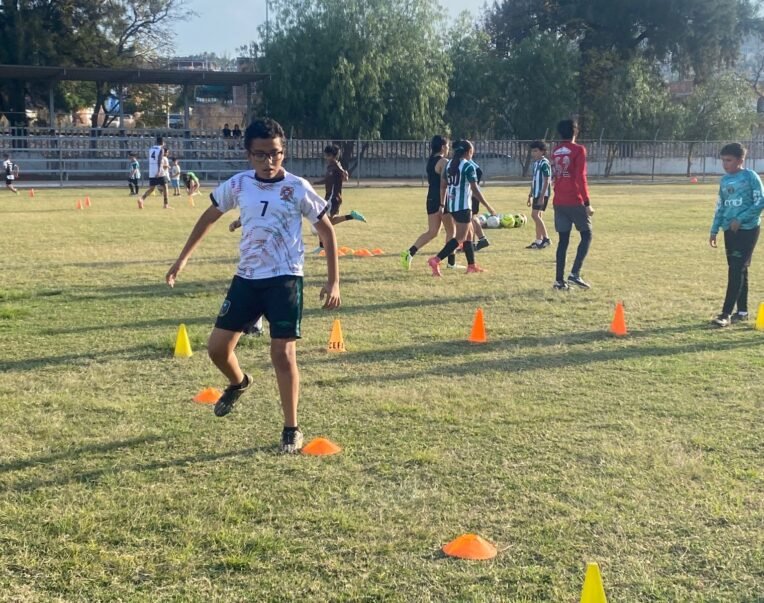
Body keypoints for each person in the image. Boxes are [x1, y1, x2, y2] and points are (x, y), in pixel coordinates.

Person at [166, 118, 341, 453]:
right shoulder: (239, 184)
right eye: (260, 154)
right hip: (246, 278)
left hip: (285, 279)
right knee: (217, 349)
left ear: (283, 152)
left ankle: (291, 428)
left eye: (275, 153)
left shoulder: (298, 187)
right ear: (248, 155)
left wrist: (333, 281)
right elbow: (209, 216)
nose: (269, 161)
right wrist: (183, 259)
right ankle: (239, 382)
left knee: (282, 354)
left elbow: (327, 231)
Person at [709, 142, 763, 327]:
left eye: (729, 160)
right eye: (723, 160)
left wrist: (740, 218)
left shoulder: (750, 176)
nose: (725, 164)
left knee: (735, 270)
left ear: (741, 160)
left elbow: (760, 201)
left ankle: (725, 314)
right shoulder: (724, 181)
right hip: (729, 231)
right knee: (739, 269)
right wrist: (714, 229)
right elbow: (721, 206)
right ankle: (742, 311)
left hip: (748, 230)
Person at [427, 140, 496, 276]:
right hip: (463, 206)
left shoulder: (449, 165)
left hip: (452, 205)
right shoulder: (468, 166)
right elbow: (475, 189)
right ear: (469, 152)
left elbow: (443, 186)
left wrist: (442, 204)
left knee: (469, 235)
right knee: (460, 238)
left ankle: (471, 266)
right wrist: (488, 207)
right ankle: (436, 260)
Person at [551, 119, 593, 290]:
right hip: (574, 200)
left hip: (559, 200)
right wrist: (587, 202)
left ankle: (559, 281)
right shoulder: (578, 150)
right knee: (587, 235)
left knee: (563, 241)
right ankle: (575, 274)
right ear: (575, 131)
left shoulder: (555, 151)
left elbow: (556, 175)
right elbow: (580, 177)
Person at [400, 135, 452, 270]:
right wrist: (442, 204)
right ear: (442, 147)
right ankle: (451, 263)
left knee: (433, 232)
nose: (448, 148)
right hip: (441, 198)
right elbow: (444, 184)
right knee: (451, 232)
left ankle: (409, 252)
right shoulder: (444, 162)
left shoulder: (431, 161)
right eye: (447, 146)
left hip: (430, 198)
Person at [311, 144, 366, 253]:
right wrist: (314, 183)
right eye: (325, 155)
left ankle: (322, 246)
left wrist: (345, 174)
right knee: (326, 221)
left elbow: (345, 177)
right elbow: (327, 180)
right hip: (328, 198)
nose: (326, 157)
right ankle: (352, 216)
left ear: (333, 156)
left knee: (323, 222)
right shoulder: (330, 167)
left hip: (333, 198)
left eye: (328, 155)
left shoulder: (336, 165)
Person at [526, 140, 552, 249]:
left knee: (534, 215)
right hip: (536, 193)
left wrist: (542, 196)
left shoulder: (544, 163)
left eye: (536, 151)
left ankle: (546, 239)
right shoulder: (536, 163)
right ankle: (538, 240)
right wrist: (530, 194)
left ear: (542, 151)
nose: (533, 153)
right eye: (532, 151)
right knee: (538, 216)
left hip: (542, 194)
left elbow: (547, 180)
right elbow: (534, 180)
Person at [138, 136, 169, 209]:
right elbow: (159, 160)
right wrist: (159, 171)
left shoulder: (151, 149)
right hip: (159, 170)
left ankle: (142, 199)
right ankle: (166, 204)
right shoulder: (161, 149)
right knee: (165, 187)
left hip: (152, 170)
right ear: (162, 142)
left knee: (152, 188)